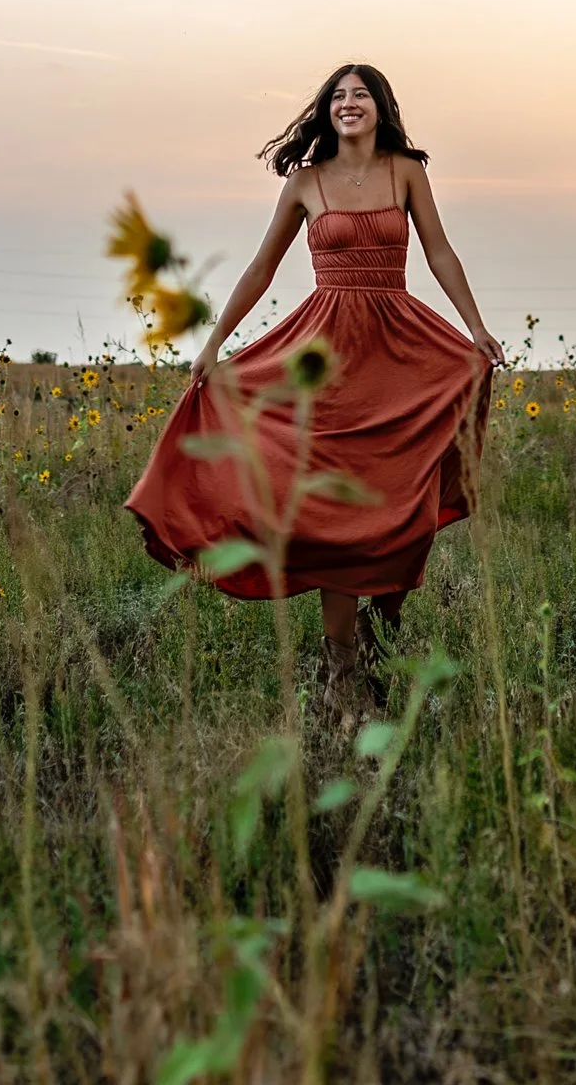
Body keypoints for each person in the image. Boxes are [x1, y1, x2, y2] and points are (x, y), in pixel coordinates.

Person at [126, 63, 504, 712]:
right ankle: (341, 675)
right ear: (325, 112)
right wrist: (215, 344)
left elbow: (439, 251)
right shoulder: (304, 183)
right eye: (338, 96)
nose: (349, 103)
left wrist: (475, 328)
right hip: (328, 361)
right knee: (338, 522)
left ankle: (381, 625)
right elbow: (261, 267)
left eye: (360, 95)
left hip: (399, 351)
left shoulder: (405, 170)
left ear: (380, 108)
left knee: (402, 508)